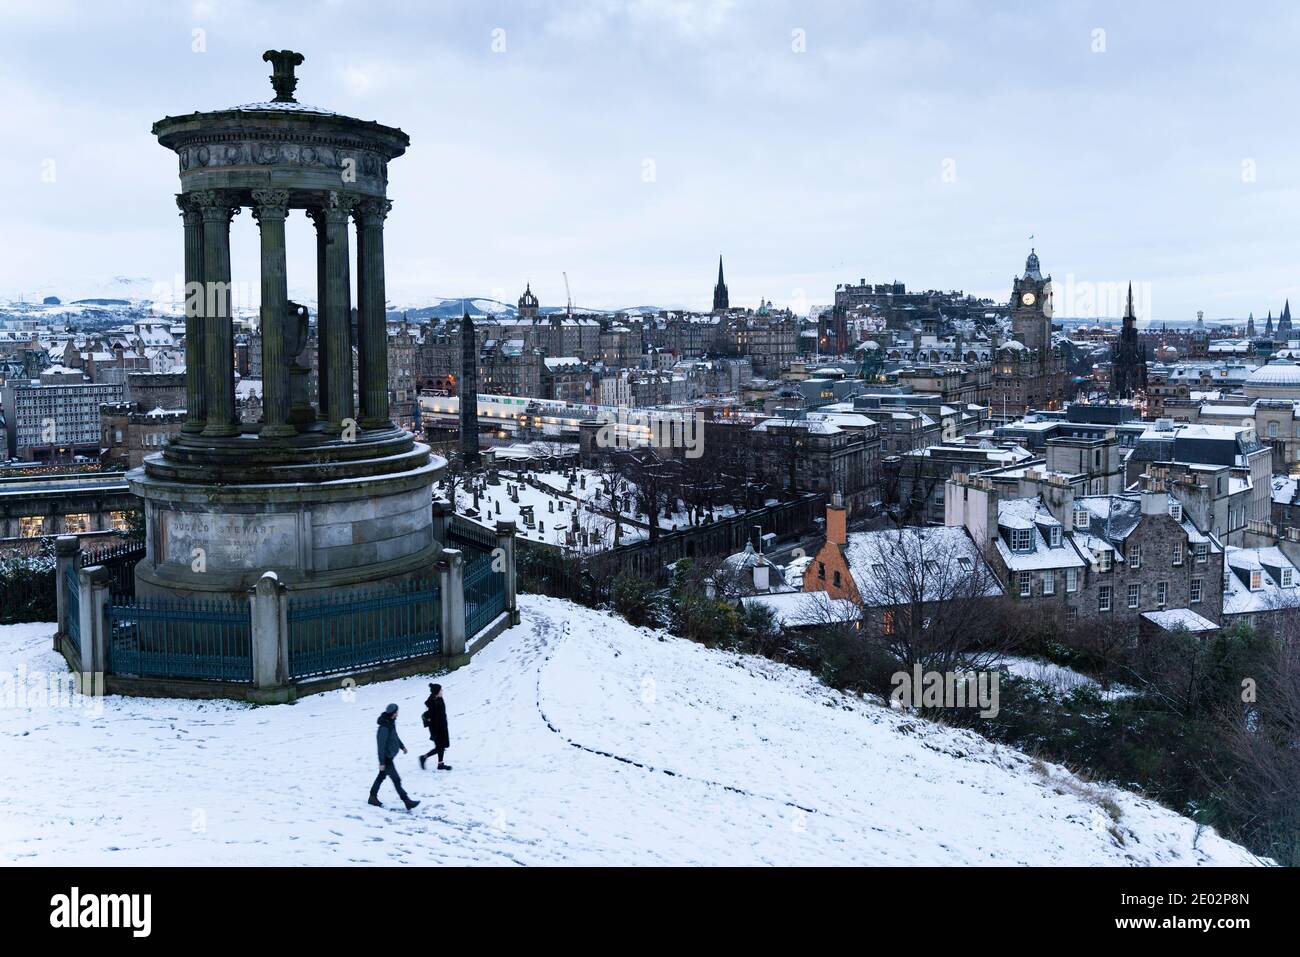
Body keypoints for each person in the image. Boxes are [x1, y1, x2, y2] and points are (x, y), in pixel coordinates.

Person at [369, 703, 419, 809]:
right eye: (397, 712)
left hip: (389, 756)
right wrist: (382, 762)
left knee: (381, 776)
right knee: (396, 779)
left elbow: (395, 736)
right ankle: (407, 801)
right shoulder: (384, 727)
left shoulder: (391, 723)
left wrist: (402, 746)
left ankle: (372, 797)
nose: (398, 713)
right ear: (393, 713)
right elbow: (381, 746)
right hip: (386, 758)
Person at [419, 683, 452, 770]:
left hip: (442, 726)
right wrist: (437, 732)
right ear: (437, 692)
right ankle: (423, 758)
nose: (442, 691)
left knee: (441, 746)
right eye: (441, 690)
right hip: (436, 729)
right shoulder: (433, 703)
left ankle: (440, 764)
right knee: (439, 747)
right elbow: (434, 720)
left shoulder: (438, 698)